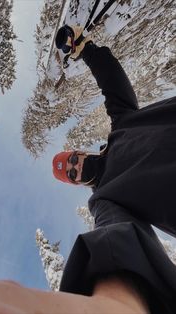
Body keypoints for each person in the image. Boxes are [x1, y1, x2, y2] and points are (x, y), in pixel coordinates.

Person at [53, 25, 176, 313]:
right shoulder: (104, 198)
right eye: (71, 173)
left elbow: (111, 81)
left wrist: (85, 49)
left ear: (80, 152)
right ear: (77, 183)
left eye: (72, 159)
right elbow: (114, 233)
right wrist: (117, 293)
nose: (76, 166)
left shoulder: (121, 124)